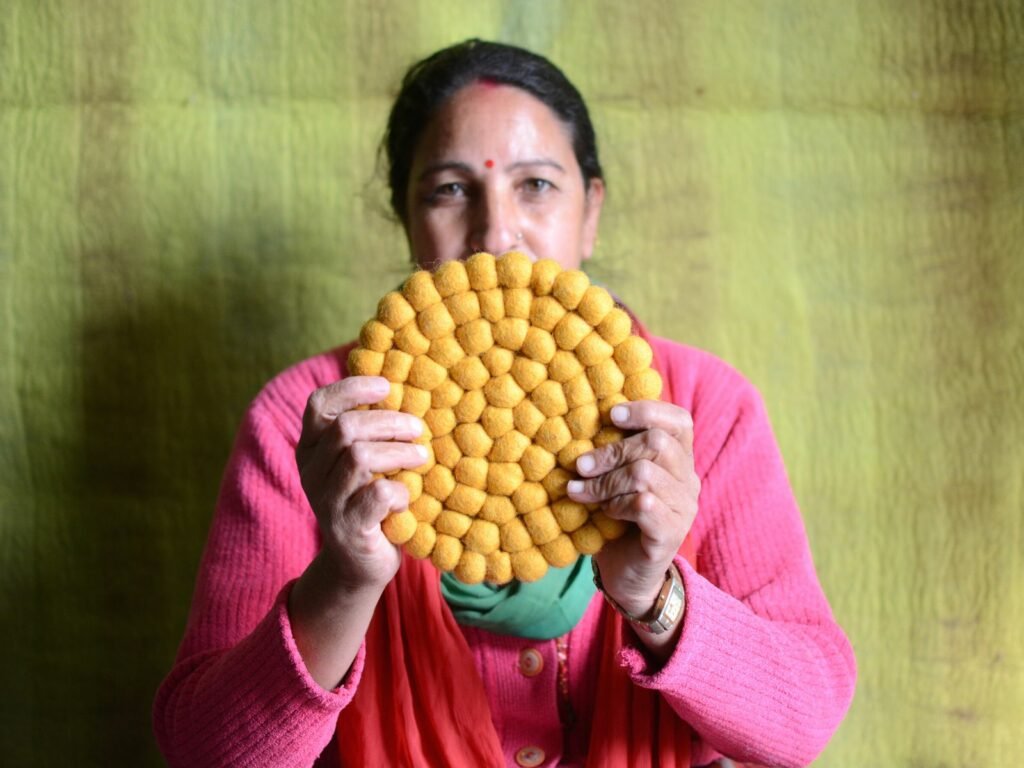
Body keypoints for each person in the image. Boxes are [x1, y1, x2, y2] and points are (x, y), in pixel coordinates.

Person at [153, 40, 856, 768]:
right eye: (450, 190)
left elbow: (800, 725)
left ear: (591, 212)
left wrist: (655, 596)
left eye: (537, 186)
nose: (495, 232)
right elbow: (208, 753)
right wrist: (343, 578)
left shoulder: (706, 411)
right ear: (407, 220)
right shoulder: (316, 423)